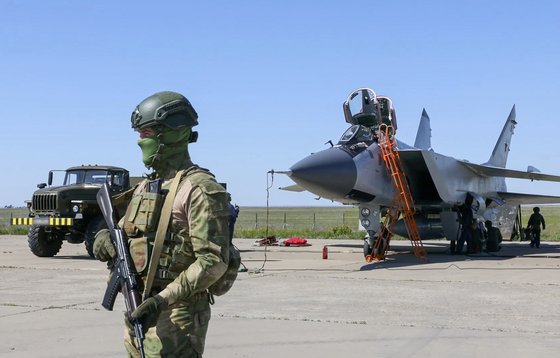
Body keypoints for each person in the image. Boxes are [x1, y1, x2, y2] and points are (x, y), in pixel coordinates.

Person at [93, 91, 231, 357]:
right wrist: (104, 241)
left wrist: (160, 300)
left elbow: (213, 261)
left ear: (172, 133)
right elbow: (124, 235)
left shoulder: (199, 189)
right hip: (138, 306)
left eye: (145, 133)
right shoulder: (146, 186)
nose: (139, 141)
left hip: (177, 314)